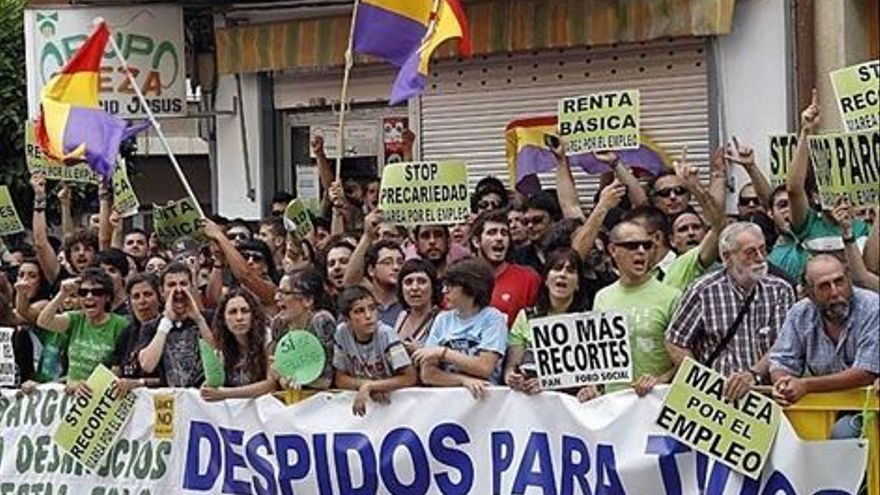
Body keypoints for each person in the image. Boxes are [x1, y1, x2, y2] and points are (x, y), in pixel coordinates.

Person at [666, 222, 796, 400]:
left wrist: (752, 374)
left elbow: (782, 344)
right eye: (750, 253)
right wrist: (703, 383)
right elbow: (676, 342)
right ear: (727, 257)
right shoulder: (703, 290)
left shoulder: (781, 290)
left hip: (765, 397)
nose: (760, 258)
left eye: (763, 249)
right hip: (716, 397)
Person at [769, 255, 879, 438]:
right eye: (824, 286)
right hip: (821, 405)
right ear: (809, 293)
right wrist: (783, 384)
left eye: (839, 282)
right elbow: (781, 361)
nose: (835, 292)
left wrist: (806, 385)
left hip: (865, 406)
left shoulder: (873, 307)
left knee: (844, 433)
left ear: (849, 279)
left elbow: (865, 372)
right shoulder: (799, 313)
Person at [770, 90, 871, 282]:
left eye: (847, 191)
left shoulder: (863, 229)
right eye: (833, 188)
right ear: (816, 196)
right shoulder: (808, 224)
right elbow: (793, 189)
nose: (841, 198)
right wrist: (806, 130)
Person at [593, 221, 681, 396]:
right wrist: (593, 388)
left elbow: (686, 361)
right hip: (613, 404)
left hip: (654, 402)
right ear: (612, 250)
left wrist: (660, 381)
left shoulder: (673, 297)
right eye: (632, 246)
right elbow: (597, 355)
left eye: (647, 245)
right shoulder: (602, 297)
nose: (641, 251)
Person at [505, 248, 598, 402]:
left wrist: (591, 389)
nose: (563, 274)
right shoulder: (525, 317)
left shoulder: (589, 323)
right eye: (557, 268)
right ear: (546, 280)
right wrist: (512, 378)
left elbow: (594, 377)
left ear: (578, 284)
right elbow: (512, 367)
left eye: (570, 271)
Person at [416, 259, 508, 398]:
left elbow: (485, 367)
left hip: (486, 400)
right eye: (444, 285)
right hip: (449, 399)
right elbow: (428, 374)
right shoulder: (442, 319)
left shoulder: (493, 318)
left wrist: (443, 353)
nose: (444, 291)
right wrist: (463, 381)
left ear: (471, 287)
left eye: (451, 286)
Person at [36, 268, 131, 389]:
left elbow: (119, 369)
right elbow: (43, 321)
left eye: (97, 292)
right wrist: (63, 293)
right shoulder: (76, 319)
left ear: (107, 297)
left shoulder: (120, 325)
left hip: (99, 396)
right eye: (83, 292)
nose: (89, 296)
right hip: (71, 394)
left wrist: (88, 387)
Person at [332, 286, 417, 416]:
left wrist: (371, 387)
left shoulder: (386, 333)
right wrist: (370, 386)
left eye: (372, 308)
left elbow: (409, 377)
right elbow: (340, 379)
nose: (368, 316)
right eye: (359, 311)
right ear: (346, 319)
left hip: (395, 407)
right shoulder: (341, 333)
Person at [138, 262, 213, 388]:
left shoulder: (208, 319)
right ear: (161, 291)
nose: (178, 290)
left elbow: (218, 354)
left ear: (192, 287)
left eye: (183, 284)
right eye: (171, 285)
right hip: (170, 400)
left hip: (204, 399)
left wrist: (199, 319)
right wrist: (166, 322)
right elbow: (147, 365)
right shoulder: (151, 327)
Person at [201, 289, 277, 401]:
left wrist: (226, 394)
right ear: (224, 318)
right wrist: (207, 387)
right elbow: (214, 382)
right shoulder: (222, 344)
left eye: (245, 311)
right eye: (232, 312)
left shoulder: (267, 338)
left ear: (254, 315)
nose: (239, 318)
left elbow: (271, 385)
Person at [469, 209, 541, 326]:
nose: (499, 238)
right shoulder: (460, 280)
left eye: (504, 233)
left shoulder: (529, 279)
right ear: (476, 242)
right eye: (492, 232)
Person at [272, 268, 336, 389]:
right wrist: (282, 379)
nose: (276, 297)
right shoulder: (278, 324)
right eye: (277, 292)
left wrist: (297, 380)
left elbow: (326, 380)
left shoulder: (321, 322)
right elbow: (276, 370)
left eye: (285, 293)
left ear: (308, 300)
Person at [117, 273, 162, 386]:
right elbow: (117, 370)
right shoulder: (126, 333)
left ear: (160, 298)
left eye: (147, 294)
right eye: (136, 297)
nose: (142, 301)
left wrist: (140, 383)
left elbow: (173, 380)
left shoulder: (167, 331)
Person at [393, 259, 442, 353]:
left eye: (422, 281)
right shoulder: (402, 315)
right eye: (408, 282)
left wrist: (421, 351)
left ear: (433, 287)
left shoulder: (443, 319)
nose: (414, 288)